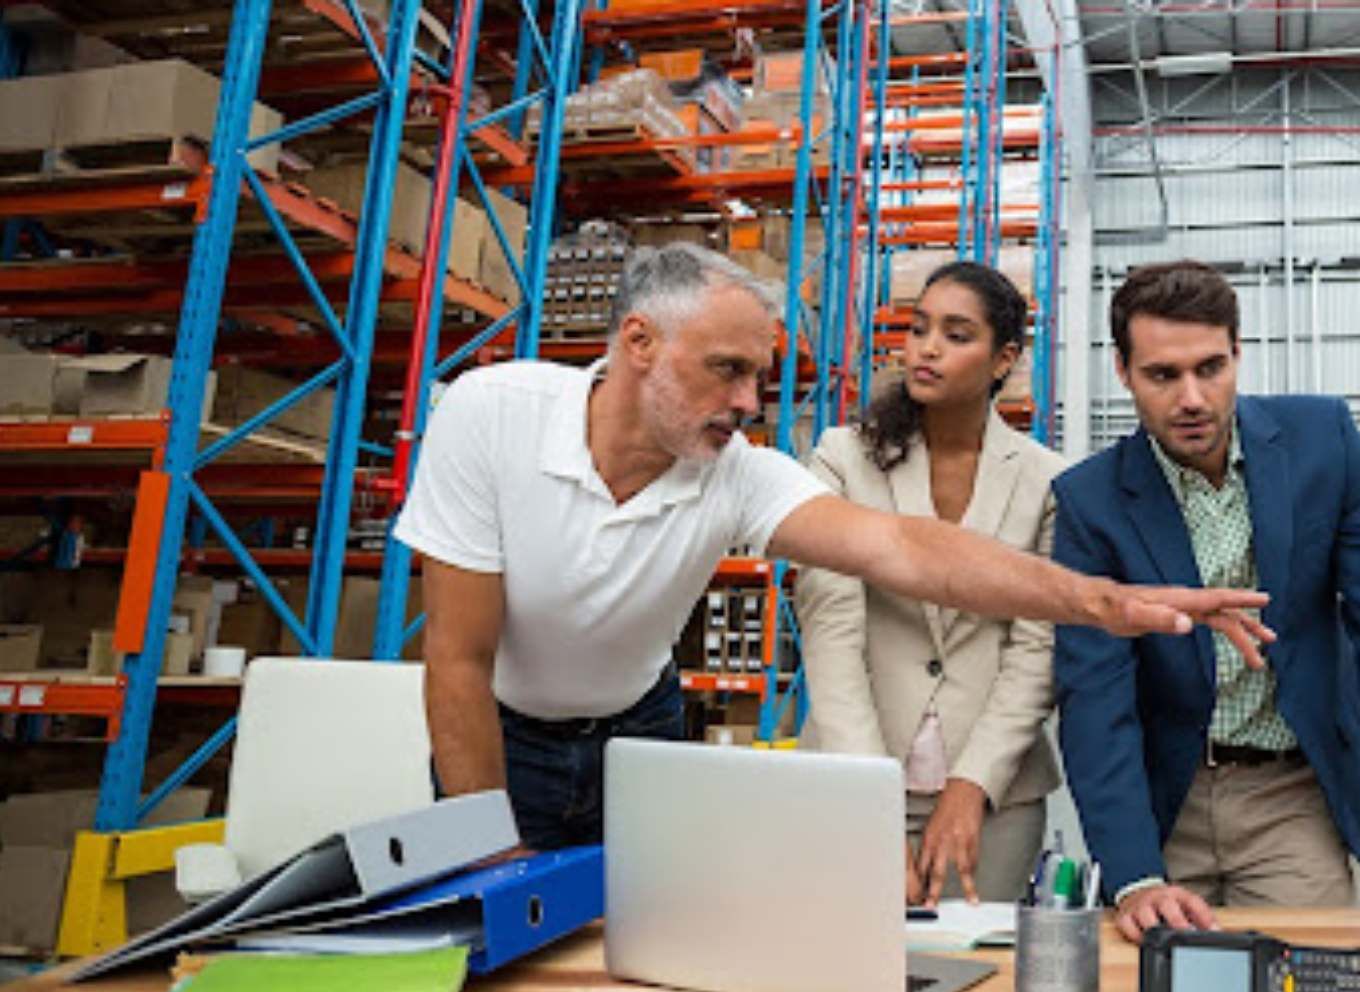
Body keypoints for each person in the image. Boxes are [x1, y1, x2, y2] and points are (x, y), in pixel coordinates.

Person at [393, 243, 1272, 857]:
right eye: (728, 370)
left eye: (760, 378)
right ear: (638, 344)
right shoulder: (491, 415)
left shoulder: (734, 472)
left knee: (628, 957)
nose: (749, 401)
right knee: (491, 944)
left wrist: (1100, 601)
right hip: (502, 730)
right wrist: (489, 855)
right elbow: (458, 661)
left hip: (639, 731)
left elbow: (903, 548)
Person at [1051, 260, 1360, 943]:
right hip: (1162, 803)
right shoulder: (1090, 501)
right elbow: (1095, 693)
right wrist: (1132, 874)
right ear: (1122, 372)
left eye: (1210, 368)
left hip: (1289, 796)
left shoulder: (1324, 443)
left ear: (1238, 353)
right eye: (1162, 375)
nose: (1192, 398)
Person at [796, 261, 1061, 906]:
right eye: (918, 330)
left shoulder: (1045, 481)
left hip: (994, 798)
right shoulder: (841, 457)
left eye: (956, 334)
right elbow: (830, 628)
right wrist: (869, 797)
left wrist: (972, 783)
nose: (928, 348)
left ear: (1003, 360)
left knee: (974, 977)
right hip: (851, 768)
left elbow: (1038, 648)